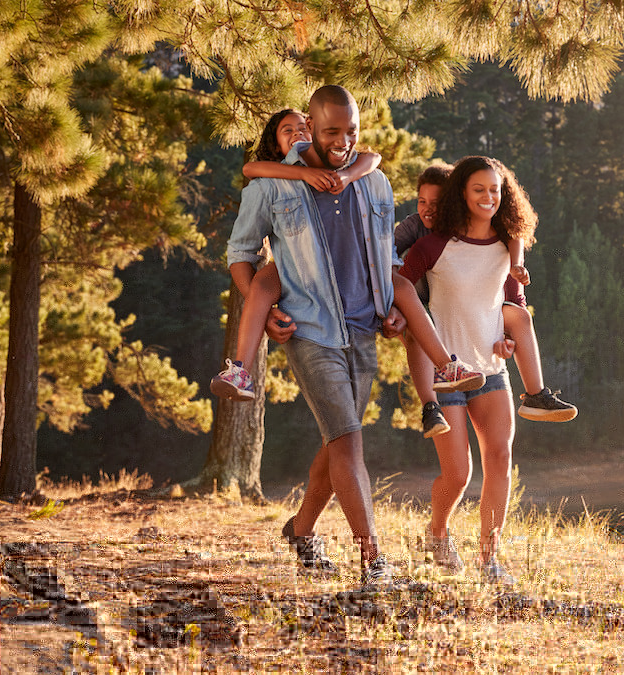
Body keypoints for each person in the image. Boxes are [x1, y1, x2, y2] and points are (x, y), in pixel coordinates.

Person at [224, 87, 480, 586]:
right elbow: (241, 251)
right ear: (312, 129)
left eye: (351, 132)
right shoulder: (273, 185)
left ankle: (301, 531)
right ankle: (374, 561)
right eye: (331, 132)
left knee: (336, 442)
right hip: (310, 330)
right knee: (348, 441)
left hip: (363, 329)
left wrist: (391, 309)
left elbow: (382, 257)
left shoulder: (375, 183)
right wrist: (267, 304)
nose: (342, 141)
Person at [212, 110, 484, 405]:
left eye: (303, 128)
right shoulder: (274, 177)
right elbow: (251, 168)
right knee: (262, 285)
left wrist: (345, 174)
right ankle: (239, 371)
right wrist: (304, 173)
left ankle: (446, 366)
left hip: (351, 266)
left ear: (315, 133)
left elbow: (373, 158)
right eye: (287, 130)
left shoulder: (339, 166)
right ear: (276, 144)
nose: (297, 134)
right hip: (298, 262)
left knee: (403, 286)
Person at [399, 156, 542, 584]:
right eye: (479, 189)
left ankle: (489, 559)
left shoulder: (505, 247)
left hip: (492, 370)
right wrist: (394, 322)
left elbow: (511, 305)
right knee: (458, 473)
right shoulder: (432, 246)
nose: (488, 197)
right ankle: (437, 532)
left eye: (495, 190)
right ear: (462, 192)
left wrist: (509, 340)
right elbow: (401, 292)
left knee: (500, 459)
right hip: (448, 375)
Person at [395, 165, 576, 436]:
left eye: (437, 203)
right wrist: (390, 309)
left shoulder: (497, 241)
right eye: (423, 202)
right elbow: (386, 260)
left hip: (480, 353)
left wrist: (506, 336)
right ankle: (430, 407)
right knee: (417, 327)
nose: (429, 210)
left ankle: (536, 394)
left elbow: (513, 294)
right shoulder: (419, 233)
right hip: (427, 317)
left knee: (519, 315)